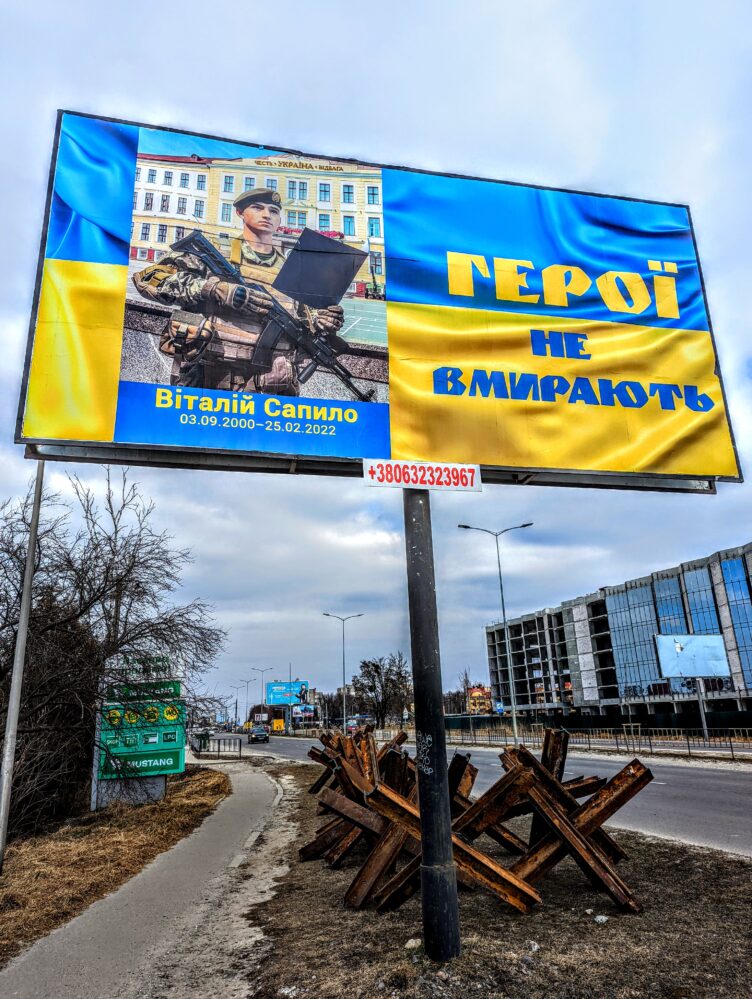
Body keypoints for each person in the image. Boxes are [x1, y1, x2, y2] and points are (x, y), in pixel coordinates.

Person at [132, 187, 345, 393]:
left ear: (280, 221)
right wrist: (214, 289)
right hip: (207, 376)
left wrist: (321, 320)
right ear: (240, 213)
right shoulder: (215, 255)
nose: (266, 215)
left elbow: (301, 323)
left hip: (269, 386)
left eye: (274, 211)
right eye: (257, 207)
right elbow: (148, 279)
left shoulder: (290, 273)